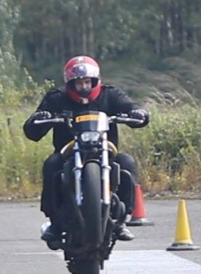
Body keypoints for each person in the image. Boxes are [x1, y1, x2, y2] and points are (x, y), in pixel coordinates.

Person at [23, 55, 149, 249]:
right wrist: (40, 117)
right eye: (79, 83)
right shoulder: (56, 98)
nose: (83, 87)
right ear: (69, 84)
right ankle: (55, 223)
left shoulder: (110, 95)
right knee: (51, 165)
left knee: (127, 162)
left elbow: (131, 107)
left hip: (105, 150)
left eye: (87, 82)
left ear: (95, 81)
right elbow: (32, 130)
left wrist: (138, 112)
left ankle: (121, 220)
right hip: (68, 152)